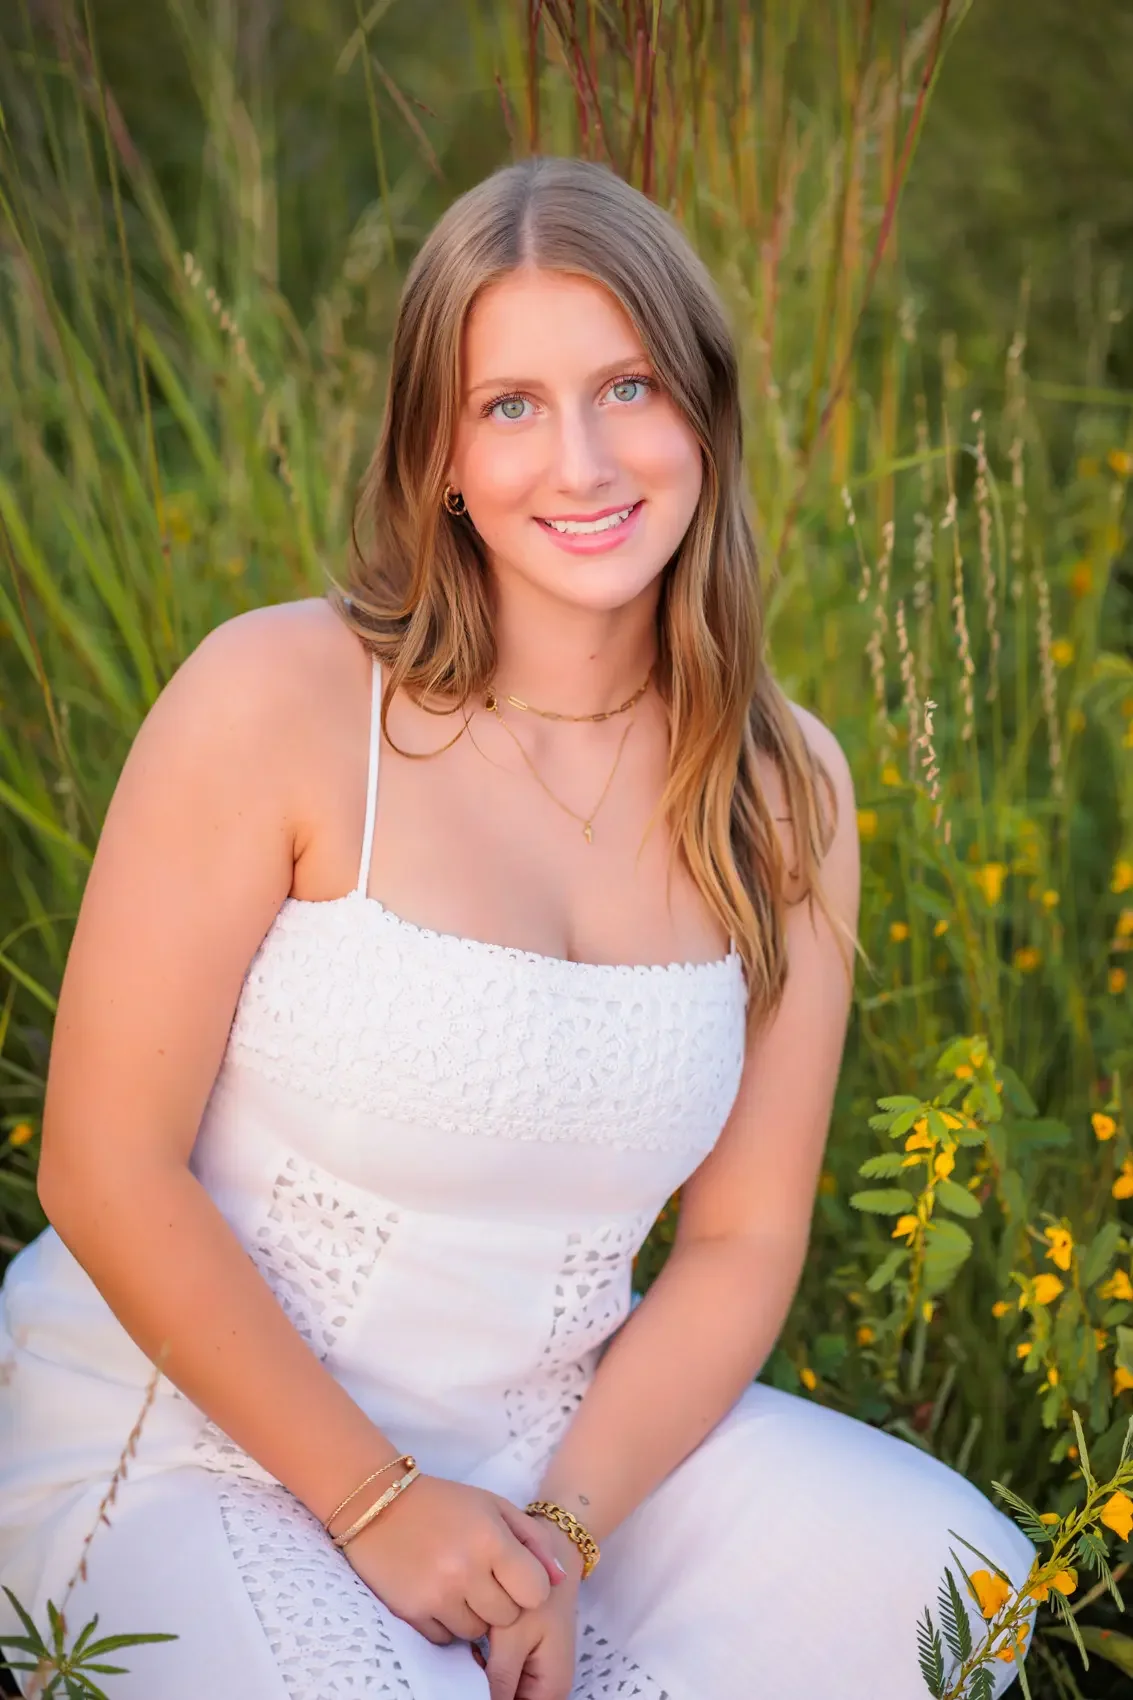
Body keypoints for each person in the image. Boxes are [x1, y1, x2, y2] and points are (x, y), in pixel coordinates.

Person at [0, 154, 1036, 1700]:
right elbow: (100, 1162)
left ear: (702, 414)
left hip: (562, 1448)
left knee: (960, 1594)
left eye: (627, 386)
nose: (582, 460)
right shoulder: (278, 699)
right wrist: (377, 1503)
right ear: (437, 456)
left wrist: (563, 1529)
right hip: (202, 1437)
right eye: (510, 405)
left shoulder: (784, 785)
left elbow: (744, 1241)